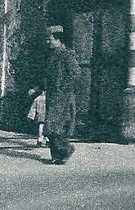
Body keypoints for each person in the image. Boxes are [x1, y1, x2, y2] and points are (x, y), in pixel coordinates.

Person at [43, 25, 81, 165]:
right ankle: (57, 155)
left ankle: (66, 148)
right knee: (51, 125)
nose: (48, 42)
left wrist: (63, 88)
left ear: (58, 39)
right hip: (52, 94)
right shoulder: (52, 54)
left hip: (61, 96)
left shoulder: (66, 54)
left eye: (50, 39)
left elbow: (76, 73)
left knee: (52, 124)